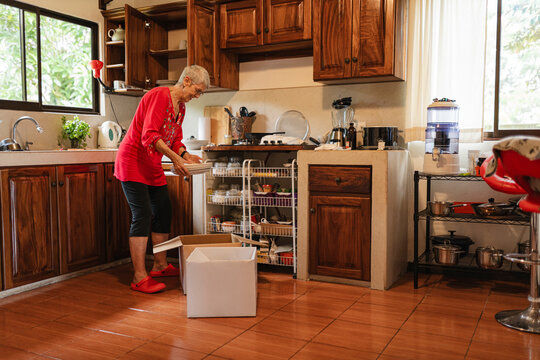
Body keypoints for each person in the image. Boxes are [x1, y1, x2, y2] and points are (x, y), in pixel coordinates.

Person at [114, 65, 209, 293]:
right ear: (186, 80)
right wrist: (176, 159)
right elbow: (150, 135)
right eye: (197, 90)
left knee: (164, 209)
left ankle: (160, 264)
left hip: (151, 164)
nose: (197, 96)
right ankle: (139, 276)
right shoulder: (158, 96)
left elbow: (175, 138)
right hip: (133, 161)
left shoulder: (181, 107)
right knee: (143, 214)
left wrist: (186, 155)